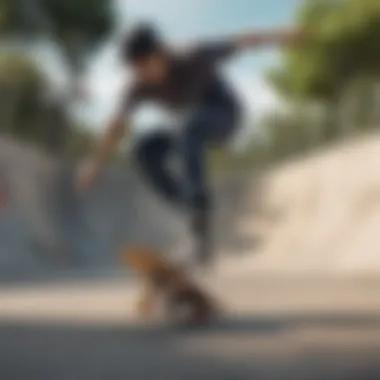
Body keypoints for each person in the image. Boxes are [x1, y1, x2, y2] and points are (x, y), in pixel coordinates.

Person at [76, 23, 302, 267]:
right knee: (142, 150)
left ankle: (199, 236)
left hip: (224, 117)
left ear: (160, 53)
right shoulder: (138, 86)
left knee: (189, 128)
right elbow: (116, 125)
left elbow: (243, 42)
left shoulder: (193, 55)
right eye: (135, 69)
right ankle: (193, 209)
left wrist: (284, 36)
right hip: (187, 129)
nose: (141, 73)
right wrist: (95, 164)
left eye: (144, 65)